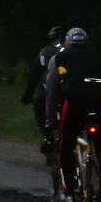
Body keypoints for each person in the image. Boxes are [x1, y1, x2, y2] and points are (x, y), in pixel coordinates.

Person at [45, 27, 101, 197]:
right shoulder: (100, 56)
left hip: (75, 102)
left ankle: (68, 188)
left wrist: (51, 121)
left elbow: (52, 92)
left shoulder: (59, 58)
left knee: (67, 140)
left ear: (67, 43)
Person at [20, 26, 65, 154]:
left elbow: (35, 74)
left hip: (49, 91)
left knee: (39, 107)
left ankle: (47, 136)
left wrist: (27, 95)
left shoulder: (46, 52)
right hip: (69, 90)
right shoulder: (72, 52)